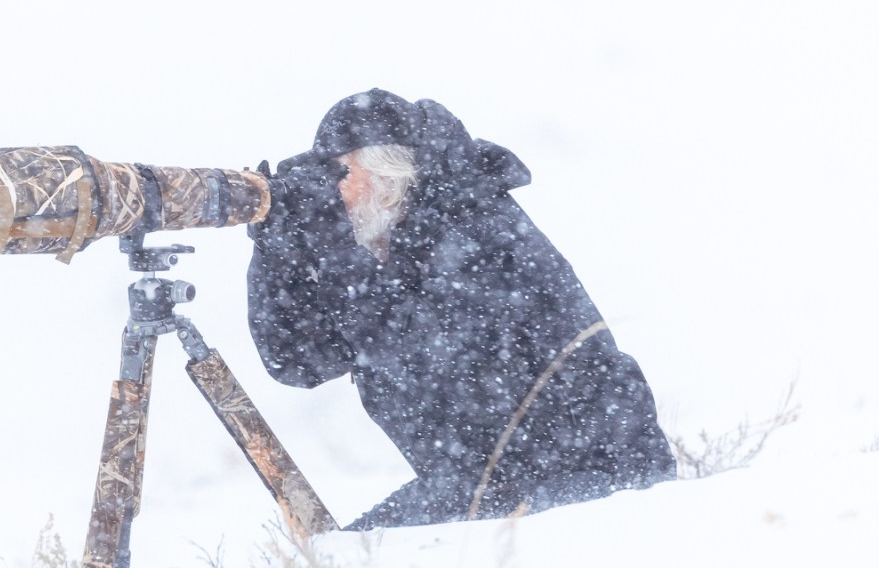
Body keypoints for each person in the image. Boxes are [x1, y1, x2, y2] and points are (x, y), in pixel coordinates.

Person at [247, 88, 675, 530]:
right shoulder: (389, 246)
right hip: (488, 480)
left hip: (591, 476)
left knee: (358, 563)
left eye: (338, 172)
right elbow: (297, 360)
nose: (329, 192)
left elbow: (419, 356)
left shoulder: (475, 223)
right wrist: (281, 249)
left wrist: (333, 244)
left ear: (388, 173)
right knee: (346, 556)